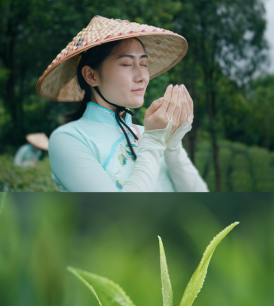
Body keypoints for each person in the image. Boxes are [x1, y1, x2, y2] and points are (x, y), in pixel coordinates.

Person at [38, 16, 208, 192]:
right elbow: (120, 214)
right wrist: (154, 141)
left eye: (143, 64)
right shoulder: (69, 139)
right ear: (91, 76)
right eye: (126, 64)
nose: (142, 76)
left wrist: (173, 145)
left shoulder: (148, 133)